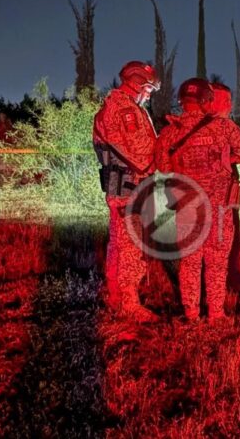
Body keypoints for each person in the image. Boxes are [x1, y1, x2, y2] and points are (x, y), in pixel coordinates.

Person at [155, 78, 240, 322]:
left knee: (189, 262)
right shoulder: (223, 126)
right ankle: (216, 314)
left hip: (187, 209)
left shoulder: (170, 131)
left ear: (182, 101)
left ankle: (191, 313)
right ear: (207, 100)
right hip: (219, 209)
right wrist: (221, 161)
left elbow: (163, 166)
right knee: (217, 263)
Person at [93, 61, 161, 322]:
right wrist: (164, 151)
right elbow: (141, 154)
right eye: (148, 89)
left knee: (119, 245)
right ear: (137, 83)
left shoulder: (117, 107)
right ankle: (129, 305)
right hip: (129, 189)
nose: (149, 95)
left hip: (123, 188)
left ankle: (114, 297)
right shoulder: (124, 111)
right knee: (130, 248)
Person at [209, 82, 240, 296]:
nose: (229, 104)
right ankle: (228, 280)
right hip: (222, 195)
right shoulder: (225, 126)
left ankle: (204, 284)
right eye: (225, 100)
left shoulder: (191, 125)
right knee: (228, 239)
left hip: (195, 198)